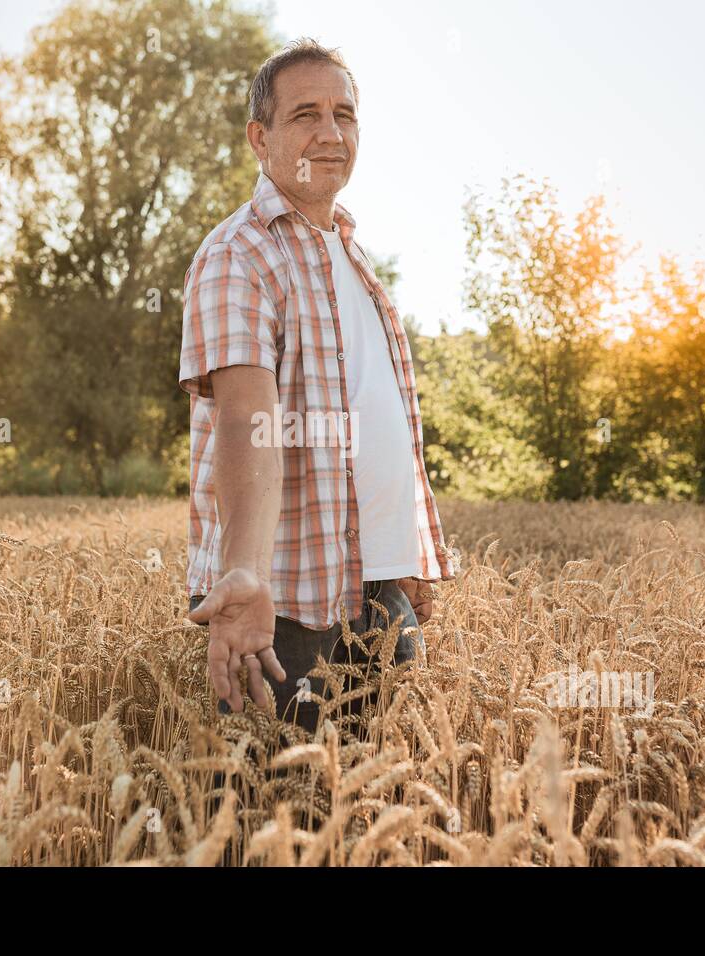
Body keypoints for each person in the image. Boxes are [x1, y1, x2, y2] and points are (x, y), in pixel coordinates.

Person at [179, 38, 455, 734]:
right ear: (260, 137)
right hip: (290, 603)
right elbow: (246, 423)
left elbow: (376, 413)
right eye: (306, 114)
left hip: (378, 591)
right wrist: (243, 573)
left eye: (345, 114)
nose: (331, 132)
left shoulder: (354, 256)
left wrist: (408, 556)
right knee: (279, 816)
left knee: (378, 809)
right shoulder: (241, 252)